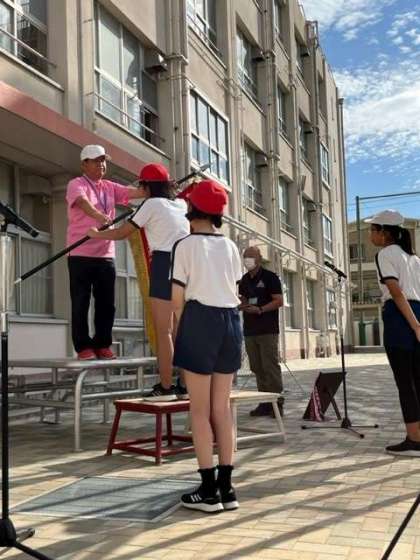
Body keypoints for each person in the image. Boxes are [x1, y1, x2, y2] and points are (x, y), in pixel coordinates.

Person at [88, 162, 190, 400]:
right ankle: (185, 387)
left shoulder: (151, 204)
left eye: (141, 185)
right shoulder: (181, 204)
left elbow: (121, 233)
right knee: (181, 331)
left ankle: (166, 387)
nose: (140, 189)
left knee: (164, 331)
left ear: (147, 186)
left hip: (164, 263)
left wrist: (96, 234)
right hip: (186, 265)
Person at [171, 179, 242, 513]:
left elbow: (177, 299)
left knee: (198, 411)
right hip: (231, 323)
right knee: (221, 409)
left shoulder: (185, 245)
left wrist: (178, 331)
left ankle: (208, 491)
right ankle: (227, 489)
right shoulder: (230, 246)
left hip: (200, 320)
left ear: (193, 208)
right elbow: (234, 289)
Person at [67, 144, 140, 360]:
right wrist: (99, 216)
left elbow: (132, 192)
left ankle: (102, 344)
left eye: (103, 161)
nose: (102, 165)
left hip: (106, 254)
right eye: (96, 160)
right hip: (80, 252)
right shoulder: (76, 184)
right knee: (80, 302)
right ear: (84, 164)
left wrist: (158, 187)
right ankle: (83, 347)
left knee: (107, 303)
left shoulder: (109, 186)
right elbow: (83, 202)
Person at [367, 210, 420, 456]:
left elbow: (396, 292)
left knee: (405, 382)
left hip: (401, 317)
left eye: (372, 230)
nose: (370, 235)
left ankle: (414, 440)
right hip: (417, 312)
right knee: (417, 380)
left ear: (384, 233)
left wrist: (414, 325)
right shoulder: (414, 258)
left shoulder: (385, 254)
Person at [238, 246, 284, 417]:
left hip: (267, 329)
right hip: (250, 330)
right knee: (257, 367)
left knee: (269, 366)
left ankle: (277, 403)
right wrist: (241, 305)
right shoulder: (244, 280)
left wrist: (260, 309)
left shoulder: (270, 277)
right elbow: (243, 299)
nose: (247, 259)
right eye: (245, 256)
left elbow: (279, 301)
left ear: (259, 258)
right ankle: (264, 403)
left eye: (250, 256)